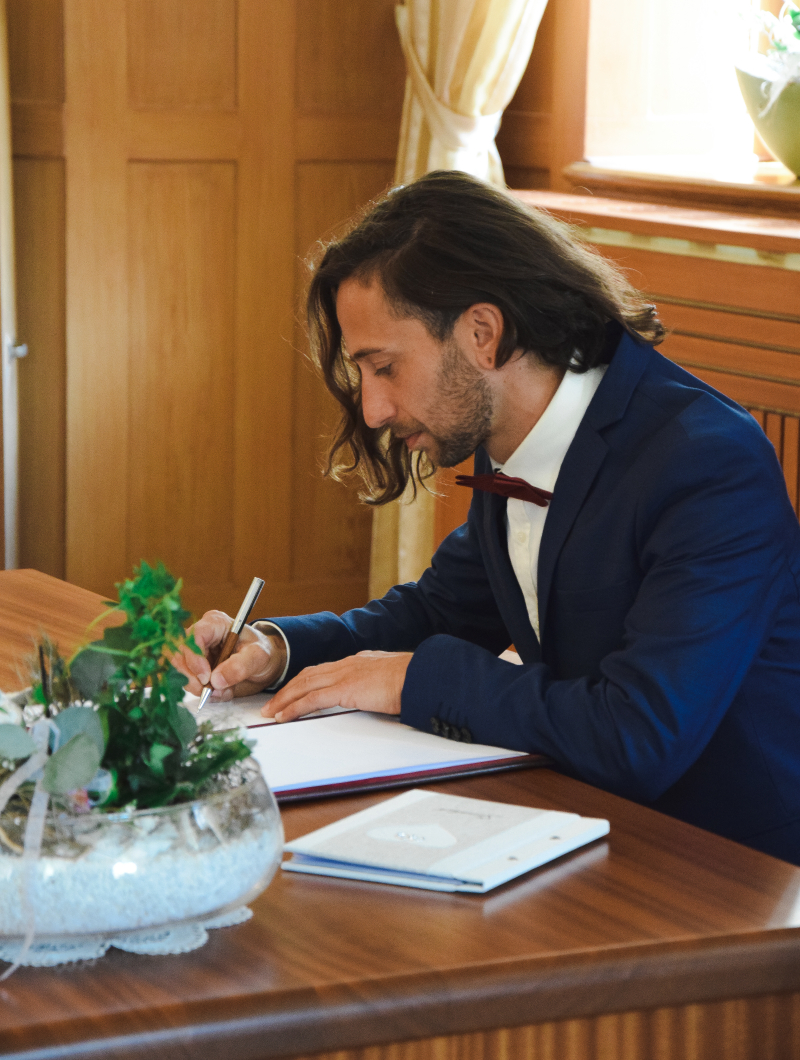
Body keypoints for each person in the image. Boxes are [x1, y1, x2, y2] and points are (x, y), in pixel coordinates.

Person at [175, 170, 800, 863]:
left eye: (385, 368)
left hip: (732, 865)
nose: (373, 411)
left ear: (482, 333)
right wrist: (275, 651)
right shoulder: (513, 434)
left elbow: (637, 734)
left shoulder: (706, 462)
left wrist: (413, 679)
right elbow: (440, 610)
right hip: (585, 823)